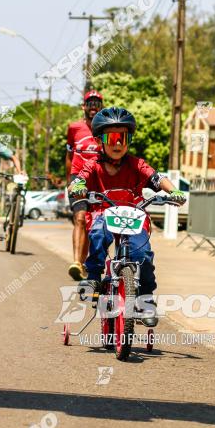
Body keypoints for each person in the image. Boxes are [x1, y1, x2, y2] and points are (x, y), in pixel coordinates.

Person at [68, 107, 186, 309]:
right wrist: (77, 187)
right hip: (105, 216)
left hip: (134, 218)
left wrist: (174, 191)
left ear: (129, 140)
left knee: (144, 256)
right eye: (112, 138)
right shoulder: (93, 164)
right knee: (96, 234)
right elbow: (78, 180)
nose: (117, 143)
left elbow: (157, 178)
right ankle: (94, 278)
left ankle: (146, 298)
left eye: (123, 138)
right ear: (99, 141)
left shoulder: (136, 164)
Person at [66, 90, 104, 281]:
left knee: (94, 224)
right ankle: (76, 262)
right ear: (83, 107)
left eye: (97, 104)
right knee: (80, 218)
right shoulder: (74, 128)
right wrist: (69, 180)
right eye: (90, 104)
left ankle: (85, 263)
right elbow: (69, 155)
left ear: (102, 107)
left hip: (98, 180)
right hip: (77, 178)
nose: (93, 107)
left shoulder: (105, 129)